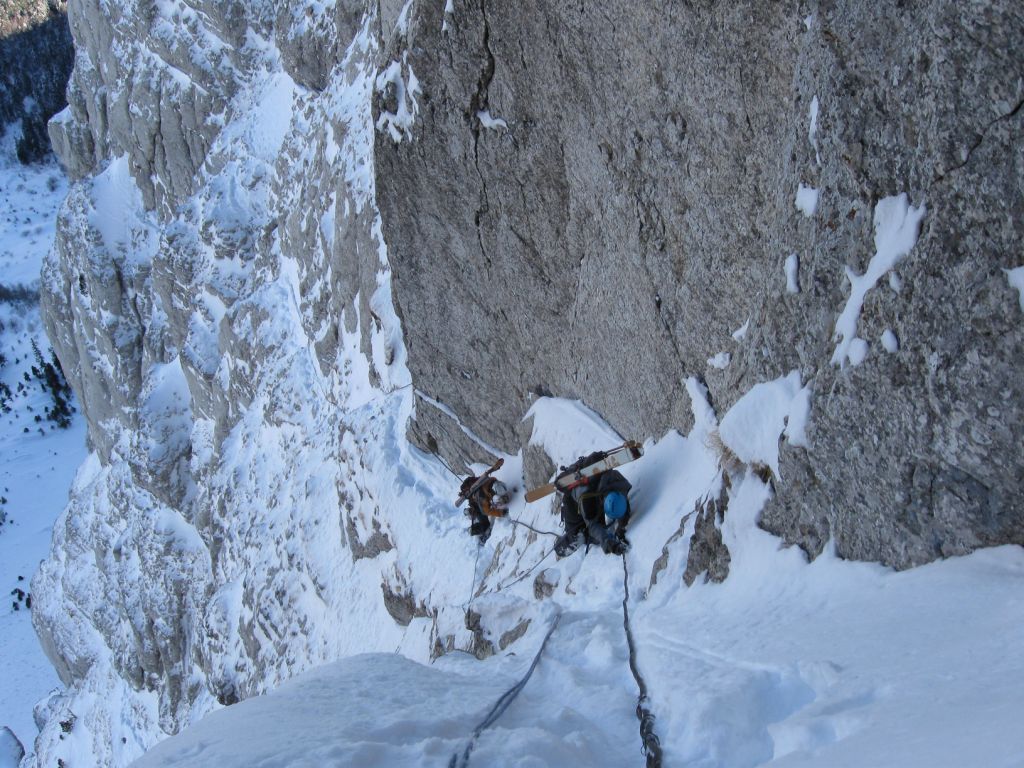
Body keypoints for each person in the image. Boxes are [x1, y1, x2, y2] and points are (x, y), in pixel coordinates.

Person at [555, 468, 632, 557]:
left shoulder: (618, 482)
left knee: (603, 528)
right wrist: (608, 543)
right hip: (573, 503)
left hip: (594, 494)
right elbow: (593, 526)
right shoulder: (587, 501)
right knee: (579, 536)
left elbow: (623, 506)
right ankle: (560, 547)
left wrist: (621, 529)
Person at [460, 473, 510, 544]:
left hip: (479, 498)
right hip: (477, 504)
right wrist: (501, 513)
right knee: (485, 525)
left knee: (488, 504)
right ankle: (472, 529)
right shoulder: (483, 499)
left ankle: (469, 511)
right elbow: (487, 511)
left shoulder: (492, 480)